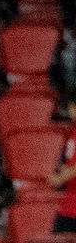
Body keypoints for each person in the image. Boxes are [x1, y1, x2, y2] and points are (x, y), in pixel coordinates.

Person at [47, 95, 76, 233]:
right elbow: (67, 162)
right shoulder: (72, 133)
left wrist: (60, 178)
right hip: (69, 205)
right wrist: (62, 174)